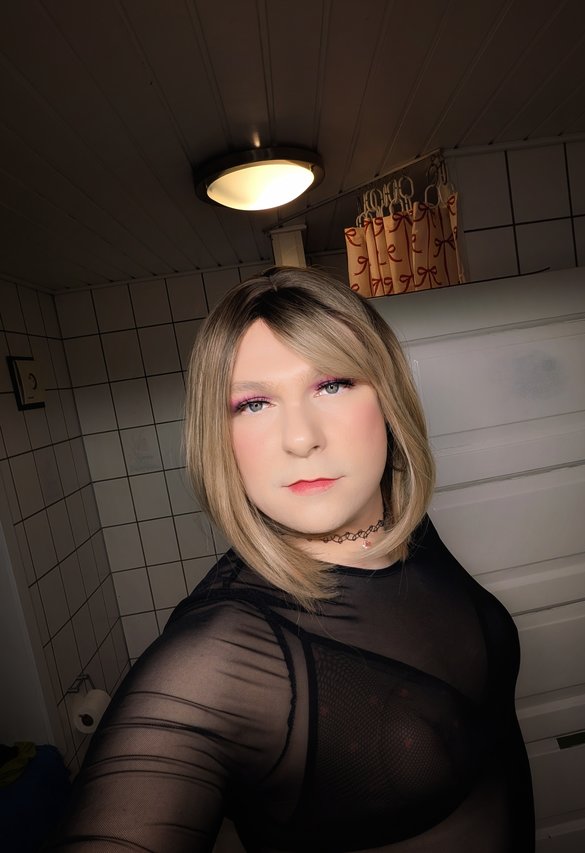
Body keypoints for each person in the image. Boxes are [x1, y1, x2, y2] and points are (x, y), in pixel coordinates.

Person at [44, 266, 534, 852]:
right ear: (219, 436)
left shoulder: (404, 530)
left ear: (388, 398)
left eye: (332, 385)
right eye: (253, 404)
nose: (300, 438)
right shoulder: (218, 657)